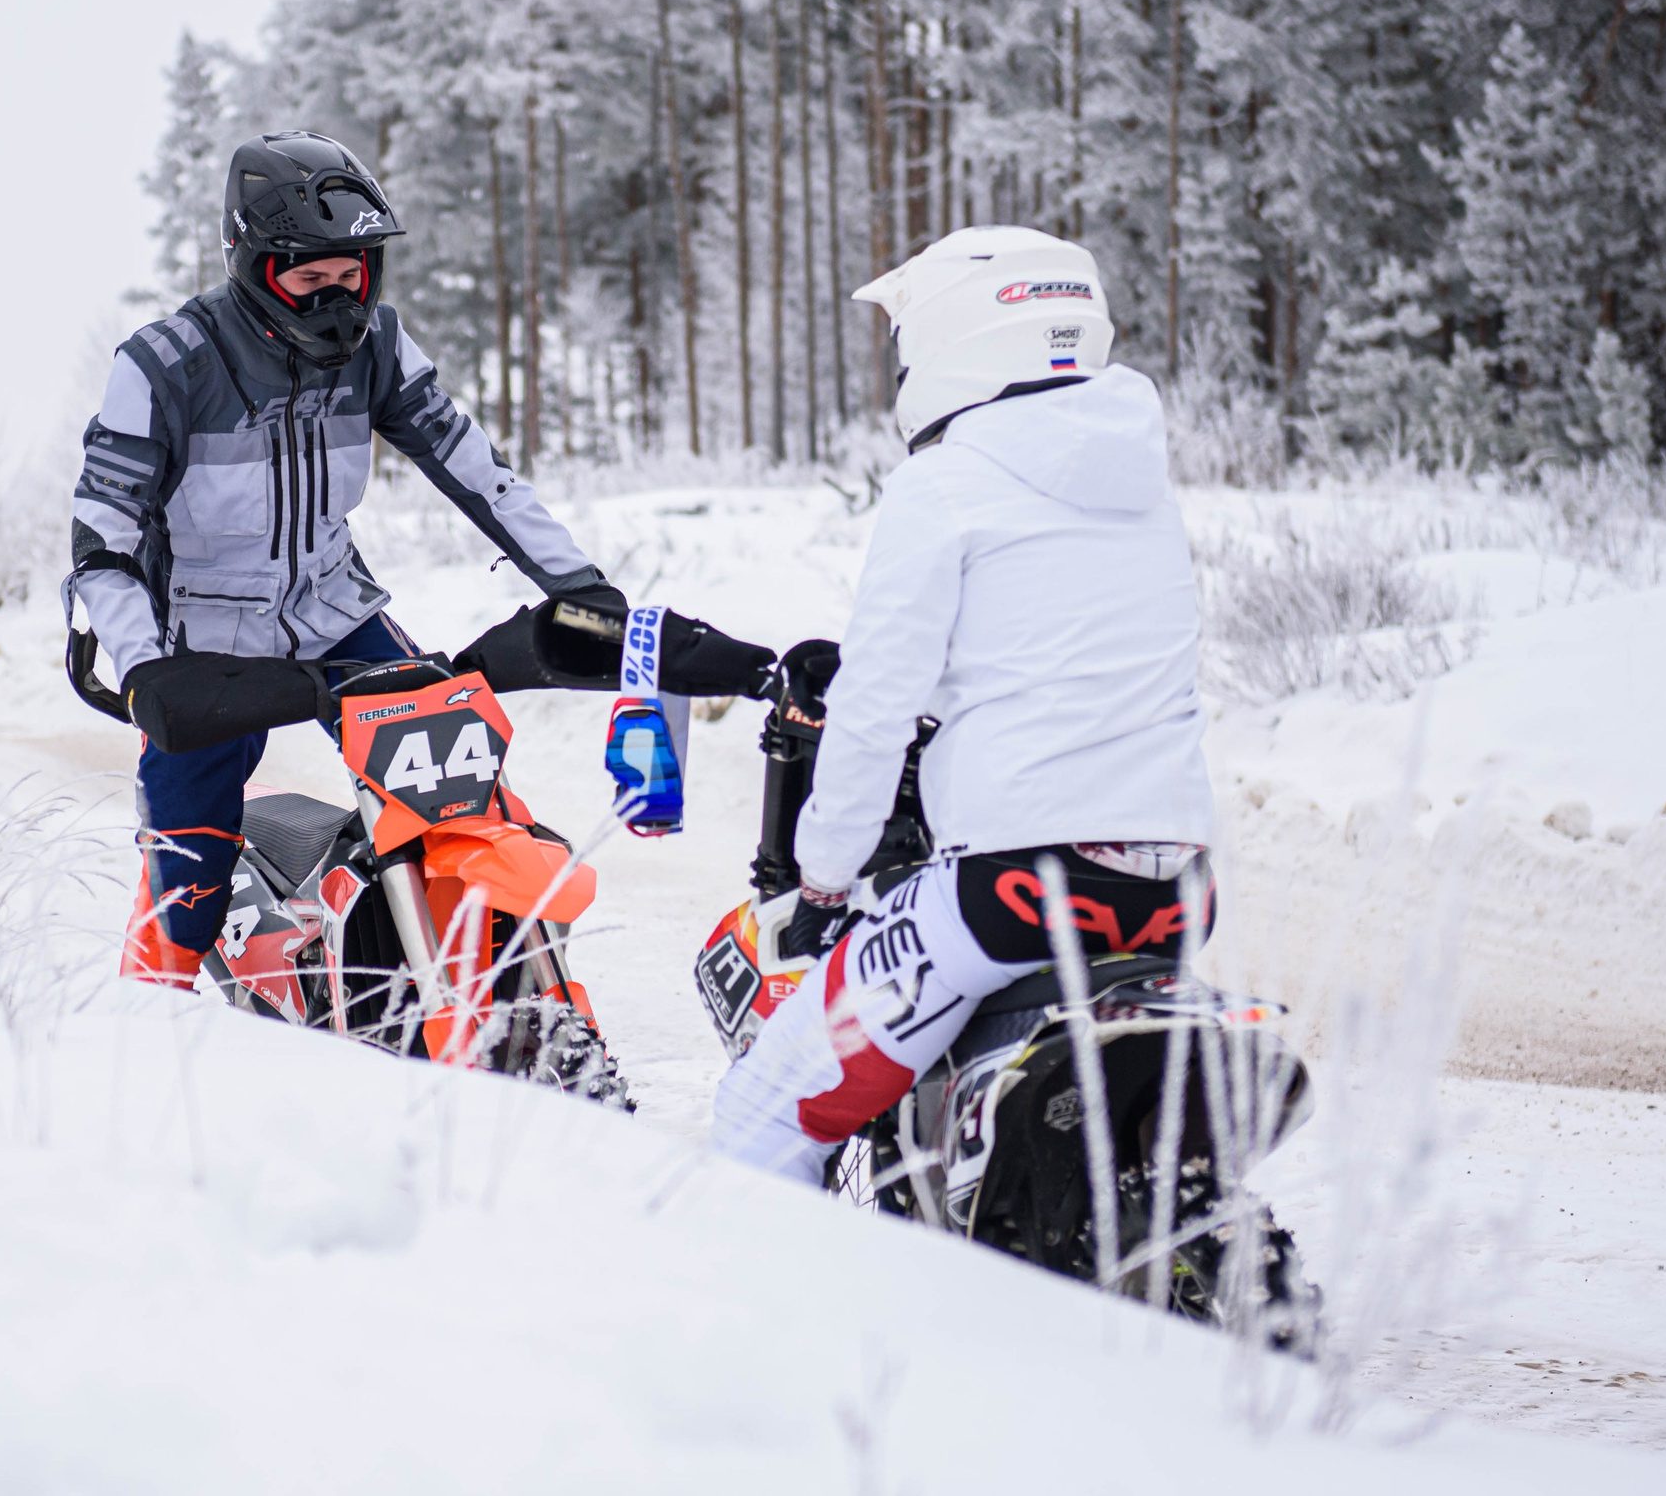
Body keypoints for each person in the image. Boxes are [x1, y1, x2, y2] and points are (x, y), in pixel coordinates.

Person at [709, 226, 1218, 1184]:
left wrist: (824, 877)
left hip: (1012, 892)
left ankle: (775, 1324)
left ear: (954, 338)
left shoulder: (944, 486)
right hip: (1179, 889)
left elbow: (873, 707)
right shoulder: (1147, 490)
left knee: (763, 1111)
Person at [66, 131, 617, 989]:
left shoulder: (380, 347)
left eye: (349, 276)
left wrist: (579, 584)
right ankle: (156, 1005)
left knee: (458, 783)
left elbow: (478, 471)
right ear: (252, 263)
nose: (334, 302)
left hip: (332, 610)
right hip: (201, 644)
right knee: (190, 878)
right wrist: (143, 670)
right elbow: (103, 543)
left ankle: (505, 982)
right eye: (308, 279)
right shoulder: (164, 367)